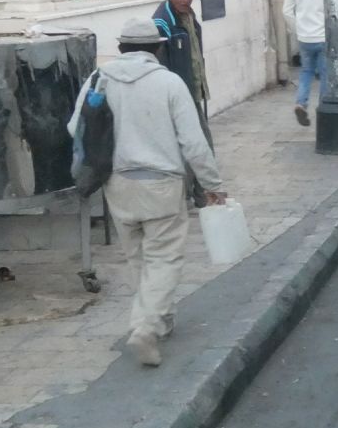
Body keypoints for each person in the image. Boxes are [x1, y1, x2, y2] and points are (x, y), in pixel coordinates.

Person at [69, 19, 225, 366]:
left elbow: (74, 128)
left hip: (118, 185)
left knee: (138, 258)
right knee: (164, 258)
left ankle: (162, 319)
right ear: (158, 48)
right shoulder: (169, 83)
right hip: (162, 185)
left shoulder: (98, 79)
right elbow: (194, 142)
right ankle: (147, 326)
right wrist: (212, 185)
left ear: (122, 47)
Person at [152, 0, 211, 206]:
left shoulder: (189, 17)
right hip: (178, 95)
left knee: (194, 143)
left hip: (193, 90)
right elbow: (161, 64)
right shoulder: (162, 22)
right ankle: (199, 193)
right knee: (199, 143)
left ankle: (197, 192)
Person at [283, 0, 328, 125]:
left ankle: (301, 103)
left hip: (305, 37)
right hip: (323, 35)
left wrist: (297, 30)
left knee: (306, 71)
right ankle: (323, 108)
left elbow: (286, 11)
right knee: (325, 73)